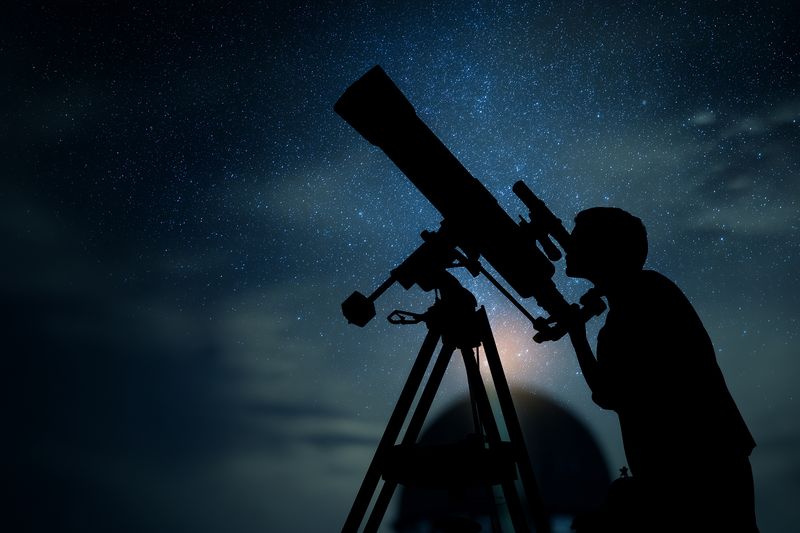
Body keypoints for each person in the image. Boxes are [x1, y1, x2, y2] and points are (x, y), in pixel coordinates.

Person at [563, 207, 758, 532]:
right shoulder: (646, 294)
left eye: (577, 239)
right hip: (704, 463)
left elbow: (609, 393)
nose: (568, 246)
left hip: (694, 471)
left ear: (603, 249)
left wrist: (577, 337)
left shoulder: (637, 304)